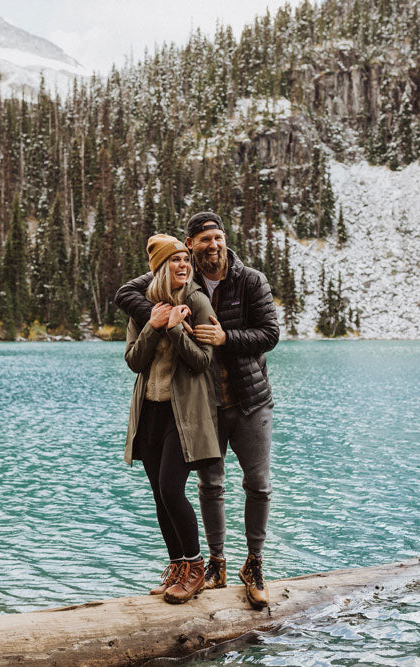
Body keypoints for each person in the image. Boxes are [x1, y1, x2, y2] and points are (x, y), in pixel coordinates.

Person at [115, 212, 279, 610]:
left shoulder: (249, 280)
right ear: (189, 245)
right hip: (203, 407)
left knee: (257, 484)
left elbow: (270, 334)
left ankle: (253, 563)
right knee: (209, 487)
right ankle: (213, 566)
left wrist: (225, 336)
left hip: (247, 399)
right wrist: (157, 319)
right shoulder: (173, 279)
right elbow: (125, 294)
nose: (212, 245)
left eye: (217, 237)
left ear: (225, 240)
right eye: (203, 240)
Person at [123, 233, 222, 605]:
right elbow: (134, 360)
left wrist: (177, 329)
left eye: (186, 259)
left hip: (183, 416)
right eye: (176, 260)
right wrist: (154, 324)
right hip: (150, 411)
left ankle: (196, 568)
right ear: (161, 268)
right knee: (158, 496)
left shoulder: (197, 300)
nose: (184, 265)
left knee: (170, 488)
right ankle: (177, 566)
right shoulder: (146, 305)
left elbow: (203, 361)